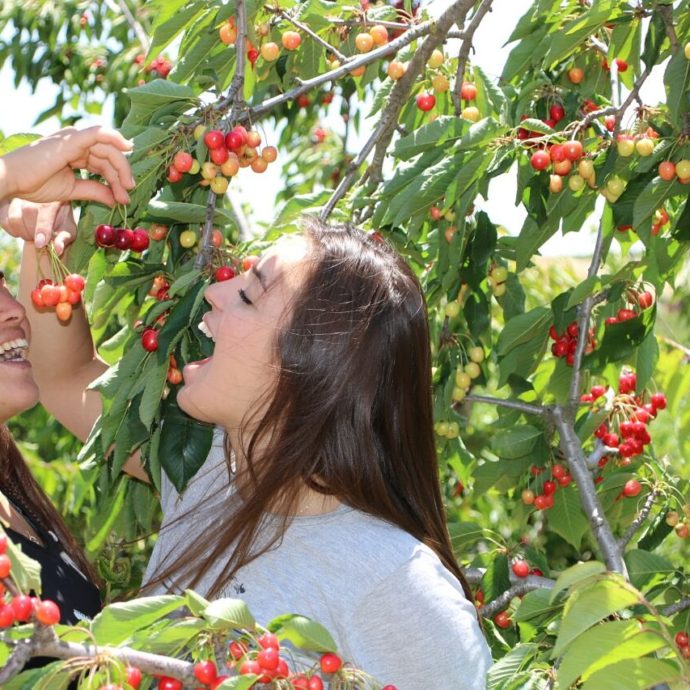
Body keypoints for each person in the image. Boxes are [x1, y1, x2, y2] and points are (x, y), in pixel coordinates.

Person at [11, 189, 491, 686]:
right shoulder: (207, 467)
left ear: (306, 367)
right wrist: (43, 241)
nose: (214, 292)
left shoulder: (398, 587)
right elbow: (65, 378)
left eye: (247, 294)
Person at [0, 125, 135, 629]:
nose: (14, 308)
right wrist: (11, 175)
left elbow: (63, 373)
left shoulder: (18, 510)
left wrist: (42, 241)